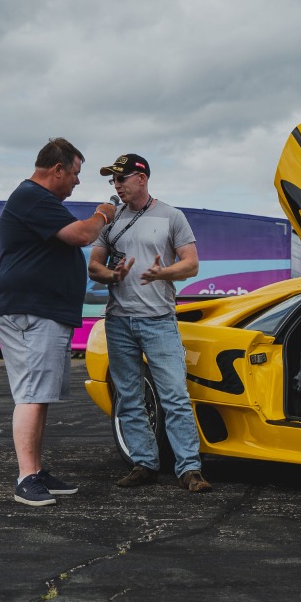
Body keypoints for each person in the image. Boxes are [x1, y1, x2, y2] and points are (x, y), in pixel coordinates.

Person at [0, 138, 116, 507]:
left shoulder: (37, 202)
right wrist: (103, 214)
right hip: (31, 311)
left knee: (40, 394)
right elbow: (81, 234)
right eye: (75, 173)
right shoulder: (32, 196)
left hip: (43, 311)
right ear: (57, 169)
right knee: (32, 393)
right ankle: (25, 477)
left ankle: (36, 470)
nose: (77, 181)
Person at [88, 153, 211, 493]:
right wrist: (113, 274)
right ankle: (144, 464)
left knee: (174, 396)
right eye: (113, 180)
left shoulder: (171, 216)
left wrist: (163, 273)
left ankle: (189, 469)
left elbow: (192, 264)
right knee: (129, 396)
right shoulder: (109, 220)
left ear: (141, 178)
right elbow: (93, 267)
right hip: (119, 322)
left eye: (122, 178)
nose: (116, 185)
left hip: (158, 320)